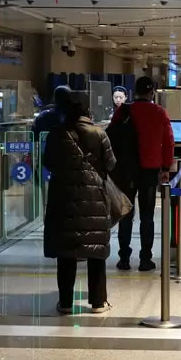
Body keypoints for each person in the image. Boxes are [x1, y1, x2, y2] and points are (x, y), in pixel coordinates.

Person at [43, 94, 116, 314]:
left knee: (66, 252)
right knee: (96, 250)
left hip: (63, 198)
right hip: (94, 199)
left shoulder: (56, 134)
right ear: (87, 110)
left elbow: (48, 163)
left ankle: (66, 303)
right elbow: (111, 164)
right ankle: (98, 302)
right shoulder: (99, 133)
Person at [110, 76, 174, 271]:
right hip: (149, 170)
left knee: (126, 215)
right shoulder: (159, 112)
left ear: (134, 91)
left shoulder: (123, 111)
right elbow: (168, 142)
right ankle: (145, 259)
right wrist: (165, 168)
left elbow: (111, 138)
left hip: (126, 171)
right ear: (152, 92)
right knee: (147, 217)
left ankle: (124, 259)